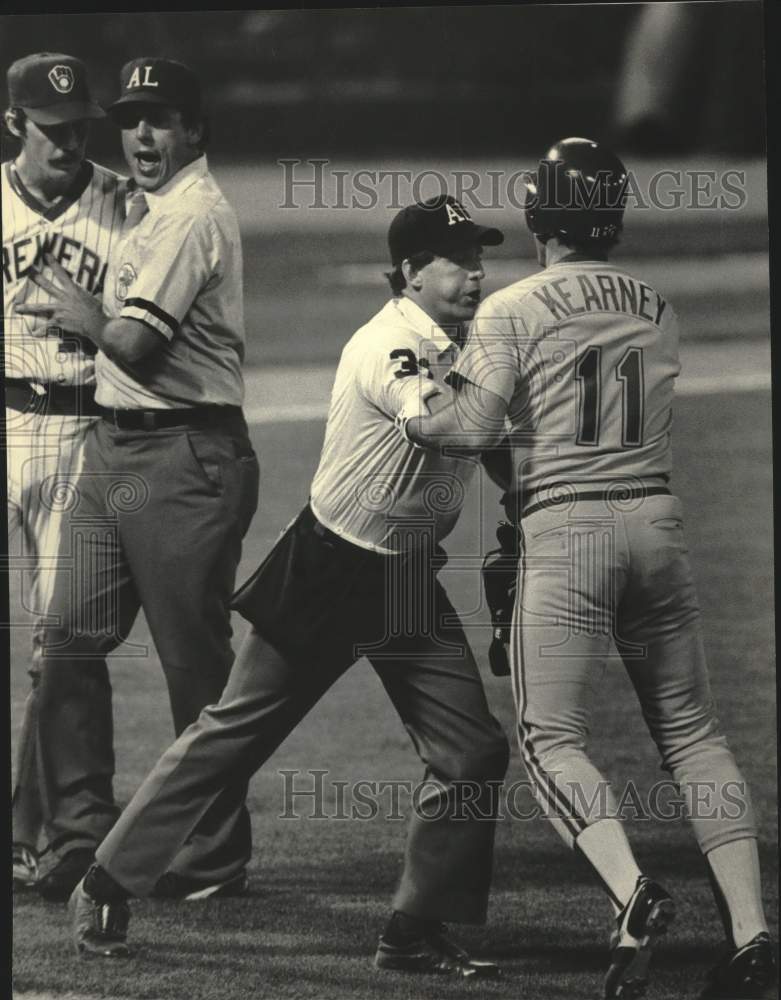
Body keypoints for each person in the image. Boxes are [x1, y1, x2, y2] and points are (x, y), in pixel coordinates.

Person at [66, 194, 510, 976]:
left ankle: (414, 929)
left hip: (404, 577)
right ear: (410, 272)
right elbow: (454, 429)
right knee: (233, 736)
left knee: (471, 751)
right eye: (457, 261)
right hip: (332, 568)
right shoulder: (391, 345)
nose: (475, 275)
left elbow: (490, 450)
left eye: (479, 260)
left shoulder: (457, 343)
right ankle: (107, 878)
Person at [404, 139, 776, 1000]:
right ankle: (752, 935)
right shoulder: (656, 304)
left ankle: (630, 890)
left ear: (540, 214)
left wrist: (419, 408)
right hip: (655, 522)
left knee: (550, 739)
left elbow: (468, 431)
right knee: (694, 737)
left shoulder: (510, 308)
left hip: (568, 531)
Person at [15, 57, 260, 904]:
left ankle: (213, 855)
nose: (142, 137)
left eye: (160, 120)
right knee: (68, 641)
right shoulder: (150, 209)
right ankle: (80, 837)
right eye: (131, 120)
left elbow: (132, 346)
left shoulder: (193, 216)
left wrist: (83, 316)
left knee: (193, 667)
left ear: (195, 129)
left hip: (187, 457)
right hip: (115, 452)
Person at [3, 52, 125, 893]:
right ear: (14, 123)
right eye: (53, 129)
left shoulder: (125, 202)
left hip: (80, 425)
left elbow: (167, 318)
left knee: (63, 644)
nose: (71, 141)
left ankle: (64, 833)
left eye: (80, 124)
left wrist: (106, 320)